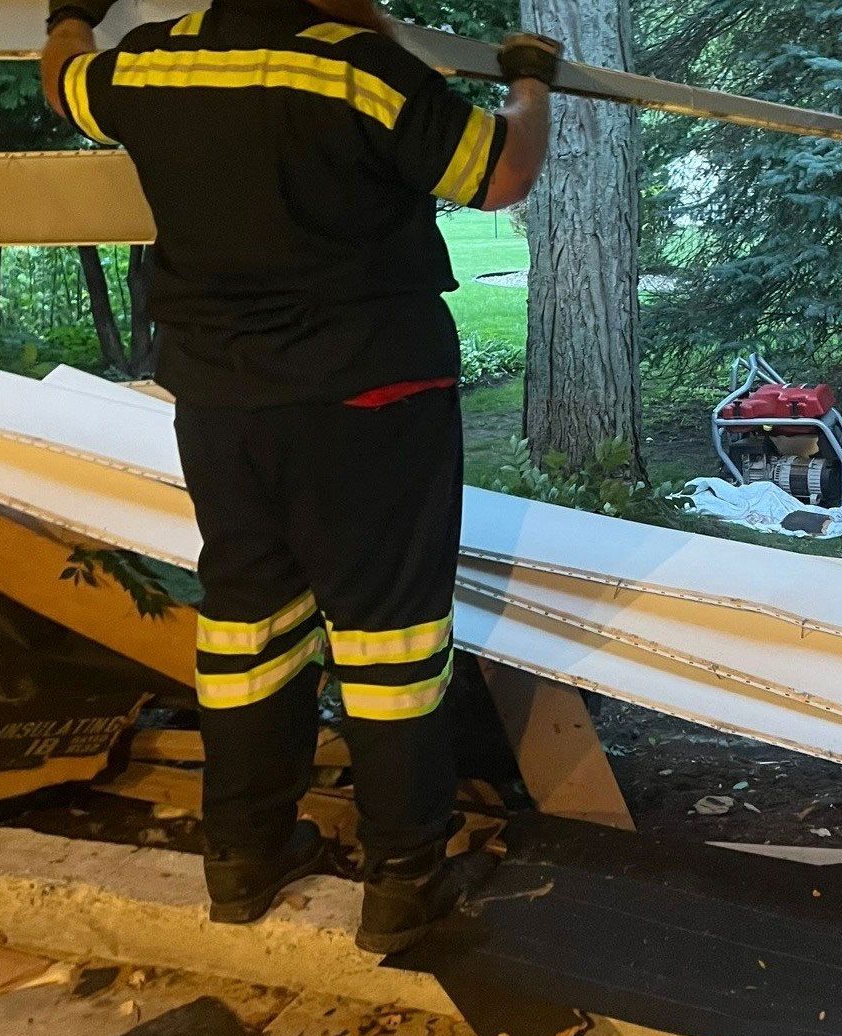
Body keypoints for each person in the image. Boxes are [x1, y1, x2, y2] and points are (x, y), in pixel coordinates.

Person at [40, 1, 557, 952]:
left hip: (222, 404)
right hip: (369, 397)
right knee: (391, 638)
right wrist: (530, 80)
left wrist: (71, 15)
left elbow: (67, 81)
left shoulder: (155, 64)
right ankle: (404, 876)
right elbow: (500, 170)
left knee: (248, 620)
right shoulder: (358, 71)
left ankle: (244, 854)